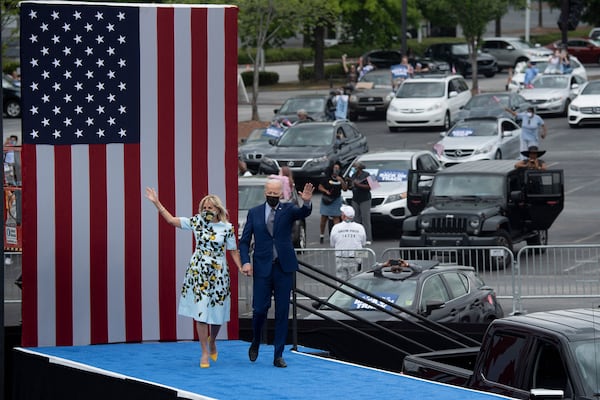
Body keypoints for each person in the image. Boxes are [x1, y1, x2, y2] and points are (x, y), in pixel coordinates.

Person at [144, 188, 243, 369]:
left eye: (210, 207)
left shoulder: (227, 228)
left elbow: (233, 251)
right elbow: (172, 220)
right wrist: (156, 202)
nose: (207, 210)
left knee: (217, 314)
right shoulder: (196, 222)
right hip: (198, 272)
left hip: (219, 274)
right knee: (201, 312)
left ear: (218, 210)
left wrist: (240, 266)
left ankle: (212, 340)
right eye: (204, 207)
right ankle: (204, 351)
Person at [239, 178, 314, 368]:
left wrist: (306, 201)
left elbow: (303, 212)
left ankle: (278, 355)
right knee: (259, 310)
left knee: (282, 311)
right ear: (265, 192)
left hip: (283, 267)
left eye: (276, 194)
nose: (272, 197)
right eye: (269, 194)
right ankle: (256, 341)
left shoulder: (288, 210)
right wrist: (245, 262)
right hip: (263, 268)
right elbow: (245, 241)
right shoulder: (254, 213)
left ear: (281, 194)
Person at [329, 205, 366, 280]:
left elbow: (332, 244)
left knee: (341, 282)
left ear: (343, 216)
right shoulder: (360, 227)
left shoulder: (336, 227)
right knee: (356, 282)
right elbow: (363, 243)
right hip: (356, 257)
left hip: (340, 257)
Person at [318, 161, 347, 243]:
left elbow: (345, 189)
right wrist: (326, 191)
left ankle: (336, 236)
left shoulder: (341, 178)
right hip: (326, 199)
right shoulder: (327, 177)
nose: (336, 170)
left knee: (336, 217)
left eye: (338, 168)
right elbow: (320, 187)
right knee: (324, 218)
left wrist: (341, 180)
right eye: (335, 168)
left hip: (336, 199)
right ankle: (321, 235)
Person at [350, 161, 372, 244]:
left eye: (355, 166)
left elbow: (372, 186)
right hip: (355, 198)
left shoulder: (367, 174)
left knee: (365, 219)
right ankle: (357, 237)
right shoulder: (353, 175)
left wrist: (358, 185)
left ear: (359, 167)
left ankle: (368, 238)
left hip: (365, 199)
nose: (354, 168)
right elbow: (351, 186)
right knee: (356, 219)